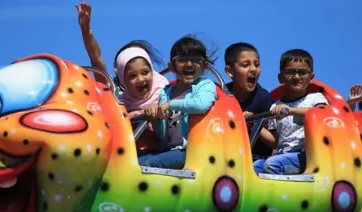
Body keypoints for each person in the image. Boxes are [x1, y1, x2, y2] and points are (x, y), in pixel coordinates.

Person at [76, 2, 169, 155]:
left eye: (145, 72)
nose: (140, 79)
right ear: (122, 77)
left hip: (161, 153)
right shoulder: (118, 99)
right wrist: (86, 31)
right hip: (128, 156)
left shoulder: (164, 89)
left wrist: (149, 112)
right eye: (132, 75)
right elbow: (96, 58)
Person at [139, 35, 218, 169]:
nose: (188, 64)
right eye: (182, 60)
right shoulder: (166, 92)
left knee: (150, 165)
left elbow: (200, 105)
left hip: (192, 151)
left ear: (205, 66)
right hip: (169, 150)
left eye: (196, 60)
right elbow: (162, 132)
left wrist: (170, 105)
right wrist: (154, 116)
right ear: (172, 66)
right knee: (135, 162)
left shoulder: (206, 85)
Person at [253, 49, 328, 175]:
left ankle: (280, 193)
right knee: (255, 167)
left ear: (311, 77)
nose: (297, 77)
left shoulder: (316, 98)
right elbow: (275, 141)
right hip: (283, 155)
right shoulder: (276, 106)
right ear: (281, 77)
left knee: (272, 164)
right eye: (290, 72)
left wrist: (291, 111)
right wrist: (256, 126)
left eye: (302, 72)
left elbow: (320, 114)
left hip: (306, 155)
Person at [224, 42, 275, 172]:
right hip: (224, 154)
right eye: (245, 65)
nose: (253, 69)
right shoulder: (221, 95)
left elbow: (275, 142)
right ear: (230, 71)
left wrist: (253, 123)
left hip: (255, 159)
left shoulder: (264, 99)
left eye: (256, 64)